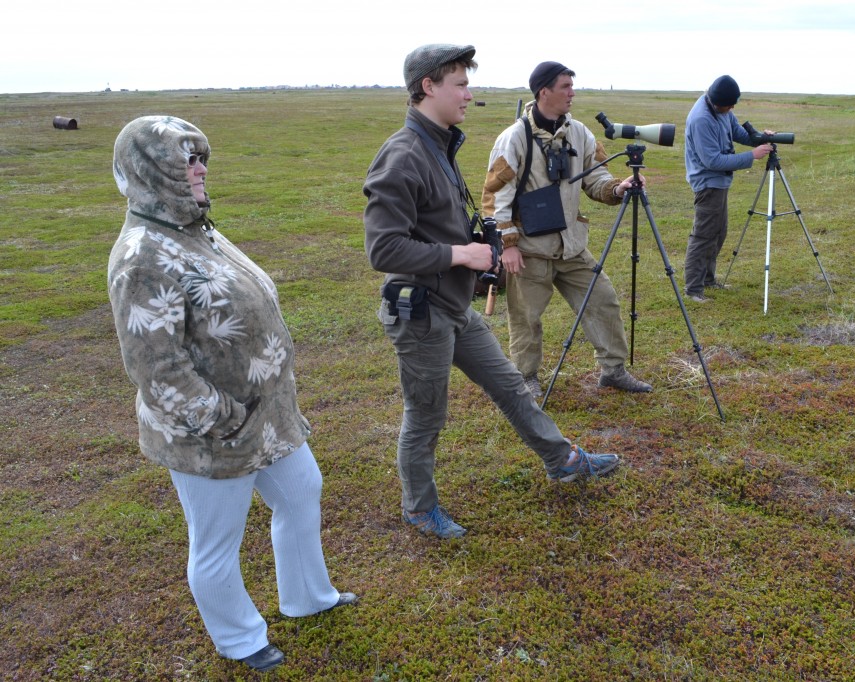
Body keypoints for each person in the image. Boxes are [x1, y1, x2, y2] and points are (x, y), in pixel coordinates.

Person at [107, 116, 356, 673]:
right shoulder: (141, 256)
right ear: (152, 170)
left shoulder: (197, 229)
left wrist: (265, 400)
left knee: (301, 490)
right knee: (216, 540)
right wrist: (222, 417)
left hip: (266, 416)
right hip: (209, 432)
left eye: (201, 157)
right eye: (184, 159)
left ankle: (307, 597)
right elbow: (157, 368)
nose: (199, 169)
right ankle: (239, 637)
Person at [363, 44, 623, 540]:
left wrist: (479, 238)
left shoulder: (439, 145)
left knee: (509, 385)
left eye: (467, 82)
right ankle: (419, 509)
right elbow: (383, 249)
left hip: (453, 307)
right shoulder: (402, 156)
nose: (469, 93)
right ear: (428, 87)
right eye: (460, 84)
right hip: (421, 314)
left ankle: (563, 460)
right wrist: (460, 255)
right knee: (426, 416)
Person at [481, 61, 652, 398]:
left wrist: (618, 188)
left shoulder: (581, 133)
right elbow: (495, 195)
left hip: (572, 246)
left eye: (572, 86)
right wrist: (509, 245)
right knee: (525, 318)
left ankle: (613, 370)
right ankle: (526, 378)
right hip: (529, 249)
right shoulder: (513, 138)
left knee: (603, 301)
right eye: (565, 87)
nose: (572, 93)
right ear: (544, 91)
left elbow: (596, 179)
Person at [682, 74, 774, 302]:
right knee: (703, 235)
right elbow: (712, 161)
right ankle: (693, 289)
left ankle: (708, 280)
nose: (732, 108)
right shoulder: (701, 119)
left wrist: (759, 138)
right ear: (717, 102)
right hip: (707, 183)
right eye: (730, 105)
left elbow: (737, 133)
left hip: (719, 182)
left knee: (718, 232)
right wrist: (752, 156)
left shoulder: (722, 108)